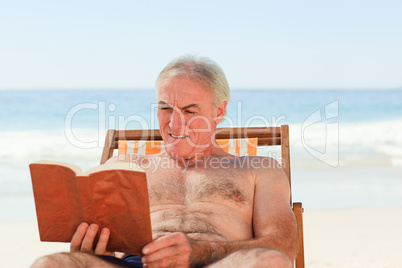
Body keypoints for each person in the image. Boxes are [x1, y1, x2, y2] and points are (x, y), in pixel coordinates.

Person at [32, 55, 298, 268]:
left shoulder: (258, 170)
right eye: (165, 108)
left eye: (189, 110)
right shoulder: (125, 168)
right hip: (138, 264)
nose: (174, 123)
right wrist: (90, 249)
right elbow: (107, 251)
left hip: (221, 263)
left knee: (270, 261)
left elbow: (284, 245)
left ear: (219, 111)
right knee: (50, 264)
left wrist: (205, 251)